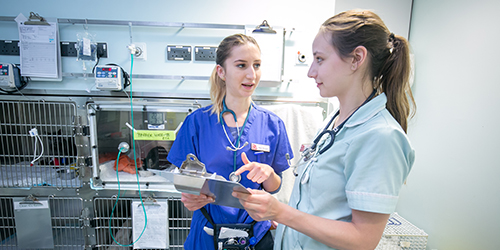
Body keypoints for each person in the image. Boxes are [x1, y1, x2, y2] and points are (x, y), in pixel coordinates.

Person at [233, 9, 416, 250]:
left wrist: (281, 213)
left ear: (356, 58)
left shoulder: (381, 137)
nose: (311, 71)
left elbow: (363, 239)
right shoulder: (334, 122)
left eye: (319, 59)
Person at [167, 34, 294, 250]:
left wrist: (269, 174)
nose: (251, 74)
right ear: (221, 72)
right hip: (207, 233)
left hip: (256, 234)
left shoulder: (272, 125)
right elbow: (185, 181)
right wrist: (190, 197)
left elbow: (275, 186)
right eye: (241, 65)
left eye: (257, 65)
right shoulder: (197, 123)